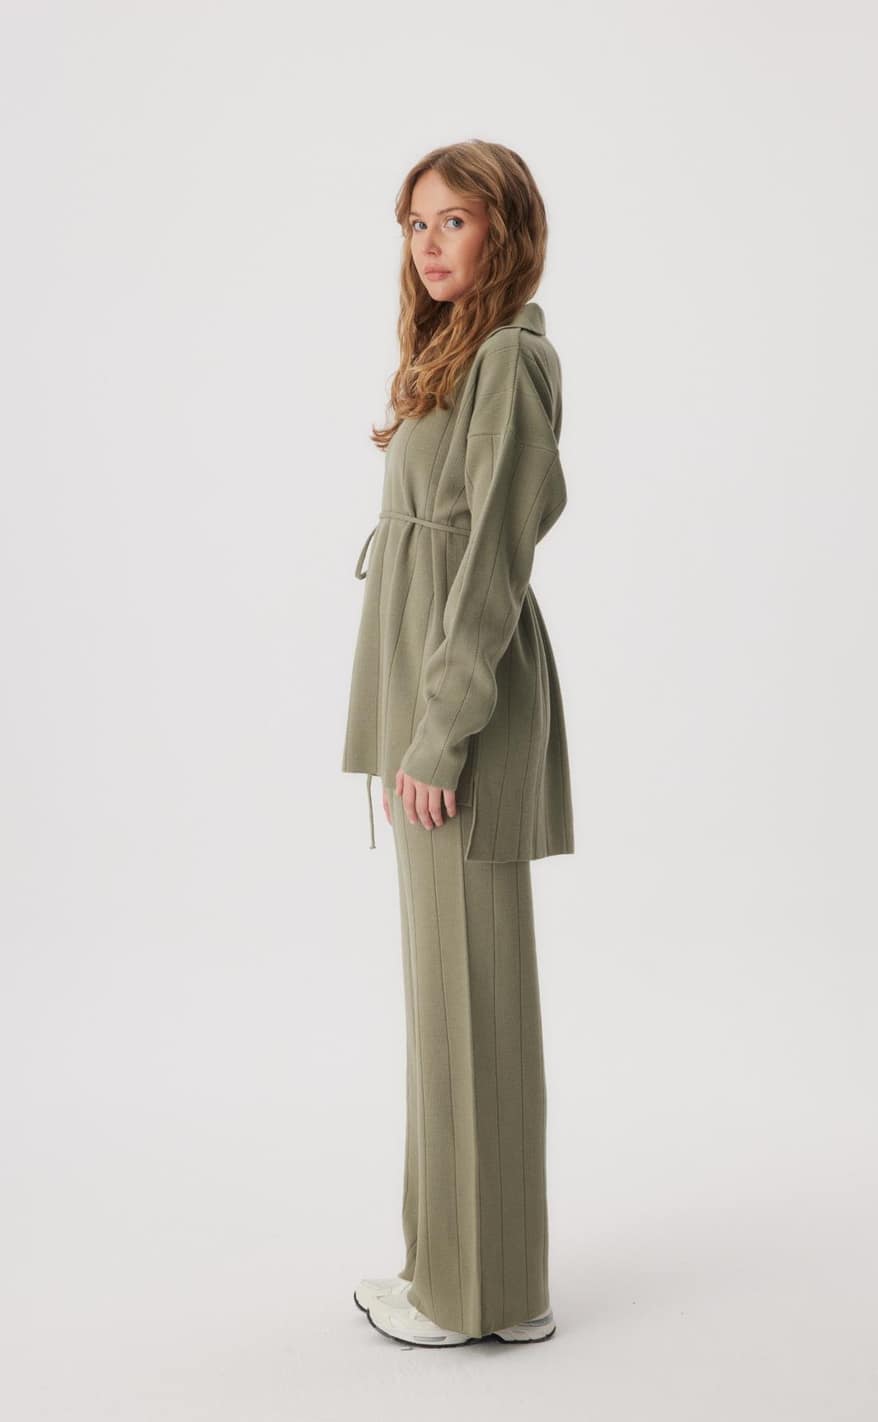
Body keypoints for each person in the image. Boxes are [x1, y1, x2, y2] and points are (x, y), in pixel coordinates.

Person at [341, 139, 575, 1347]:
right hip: (429, 697)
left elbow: (492, 561)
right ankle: (467, 1273)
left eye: (454, 221)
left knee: (469, 995)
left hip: (461, 711)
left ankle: (477, 1294)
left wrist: (436, 738)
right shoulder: (453, 352)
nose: (428, 244)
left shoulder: (509, 361)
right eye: (414, 223)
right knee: (449, 997)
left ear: (505, 230)